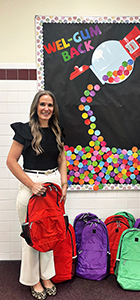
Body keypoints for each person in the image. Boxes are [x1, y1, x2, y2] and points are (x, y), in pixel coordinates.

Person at [6, 90, 68, 299]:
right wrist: (32, 185)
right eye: (42, 104)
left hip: (52, 187)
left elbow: (61, 159)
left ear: (54, 108)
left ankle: (47, 276)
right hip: (30, 185)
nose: (46, 108)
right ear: (36, 106)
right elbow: (11, 162)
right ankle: (33, 280)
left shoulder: (57, 131)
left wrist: (64, 183)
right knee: (31, 236)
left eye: (50, 105)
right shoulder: (24, 131)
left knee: (50, 232)